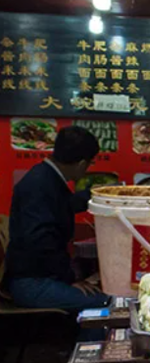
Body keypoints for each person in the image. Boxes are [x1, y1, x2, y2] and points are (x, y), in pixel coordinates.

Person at [2, 126, 109, 311]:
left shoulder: (46, 176)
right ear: (82, 164)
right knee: (101, 303)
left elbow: (66, 204)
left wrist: (100, 194)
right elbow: (39, 240)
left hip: (39, 275)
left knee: (99, 293)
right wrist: (69, 279)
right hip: (31, 282)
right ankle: (91, 341)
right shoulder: (40, 184)